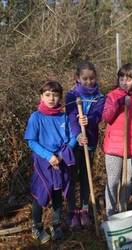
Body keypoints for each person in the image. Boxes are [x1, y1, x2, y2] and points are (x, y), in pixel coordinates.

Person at [24, 81, 76, 244]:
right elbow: (31, 141)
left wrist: (61, 156)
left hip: (60, 161)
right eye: (47, 95)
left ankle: (55, 225)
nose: (51, 98)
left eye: (55, 95)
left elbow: (72, 138)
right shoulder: (36, 117)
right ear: (41, 97)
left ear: (60, 96)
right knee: (40, 196)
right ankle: (37, 227)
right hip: (43, 163)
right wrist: (48, 156)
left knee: (57, 195)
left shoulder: (63, 116)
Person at [102, 63, 132, 217]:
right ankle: (110, 211)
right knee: (113, 181)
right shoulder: (112, 95)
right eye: (121, 78)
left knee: (127, 182)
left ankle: (123, 211)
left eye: (128, 79)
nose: (124, 82)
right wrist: (120, 102)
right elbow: (107, 117)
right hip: (113, 146)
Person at [65, 61, 105, 229]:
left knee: (86, 177)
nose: (89, 82)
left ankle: (85, 209)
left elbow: (97, 115)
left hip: (90, 141)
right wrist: (78, 133)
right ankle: (73, 211)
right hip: (75, 142)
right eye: (85, 78)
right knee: (72, 176)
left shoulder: (100, 97)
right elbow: (71, 116)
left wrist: (89, 120)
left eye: (92, 78)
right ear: (77, 78)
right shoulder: (72, 95)